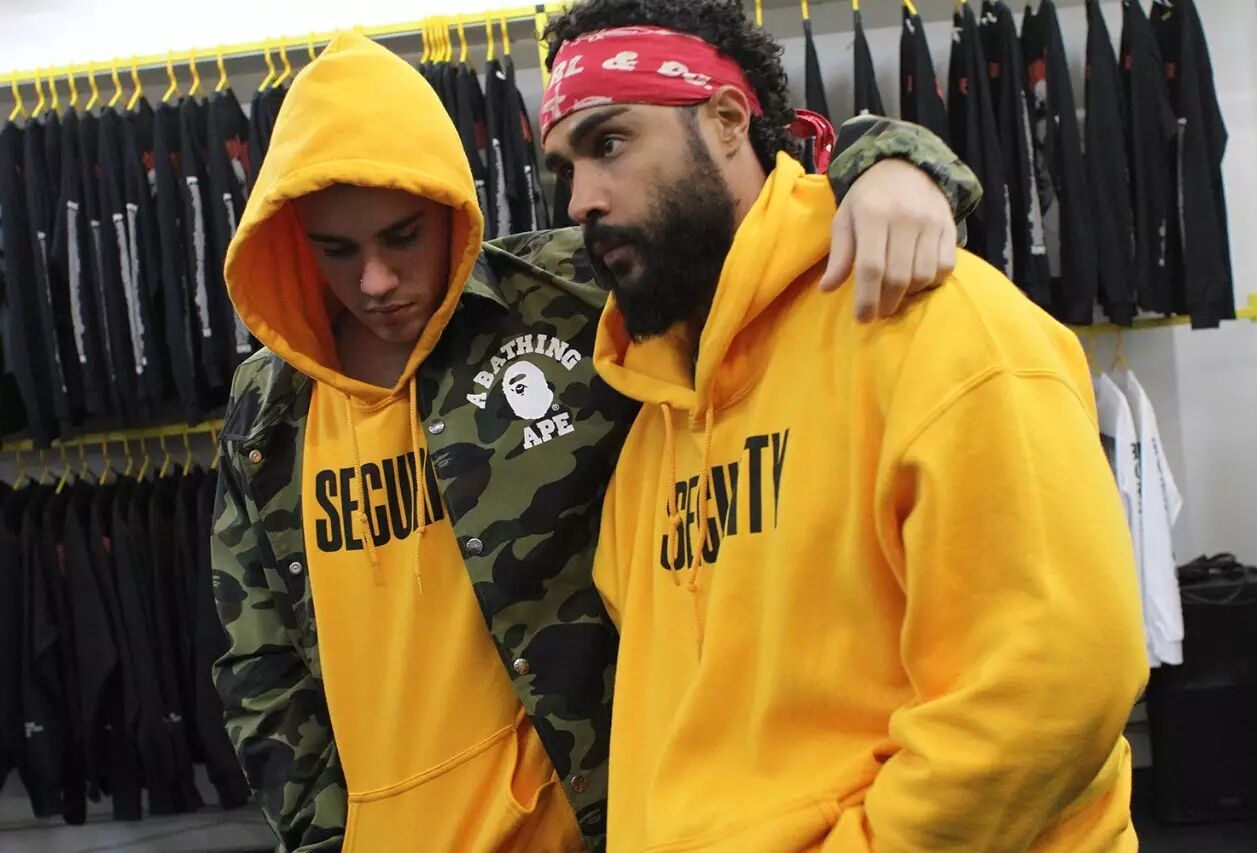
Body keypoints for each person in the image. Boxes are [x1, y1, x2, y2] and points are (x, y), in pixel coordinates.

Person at [211, 29, 980, 853]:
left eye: (402, 237)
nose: (374, 281)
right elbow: (259, 664)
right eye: (336, 251)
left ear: (451, 210)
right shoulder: (267, 413)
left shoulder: (567, 297)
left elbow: (742, 220)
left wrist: (891, 162)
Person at [539, 2, 1150, 851]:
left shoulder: (938, 327)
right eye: (563, 169)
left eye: (609, 143)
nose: (581, 201)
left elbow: (1052, 680)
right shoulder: (652, 423)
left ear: (727, 120)